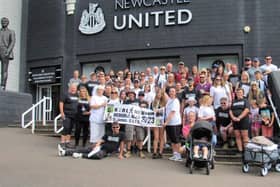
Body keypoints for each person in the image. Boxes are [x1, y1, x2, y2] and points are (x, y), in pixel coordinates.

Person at [58, 121, 125, 160]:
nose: (115, 128)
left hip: (106, 151)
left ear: (119, 127)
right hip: (101, 146)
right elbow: (102, 140)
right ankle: (64, 152)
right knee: (85, 149)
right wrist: (97, 145)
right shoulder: (108, 133)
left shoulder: (121, 134)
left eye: (117, 127)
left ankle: (80, 155)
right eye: (114, 127)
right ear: (112, 128)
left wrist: (120, 154)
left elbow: (122, 145)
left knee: (98, 155)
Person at [123, 91, 146, 158]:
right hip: (129, 121)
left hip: (139, 121)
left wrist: (143, 106)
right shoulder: (126, 102)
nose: (131, 95)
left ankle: (140, 151)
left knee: (140, 137)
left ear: (134, 95)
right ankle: (128, 151)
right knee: (129, 137)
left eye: (132, 94)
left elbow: (145, 106)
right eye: (129, 94)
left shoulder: (139, 101)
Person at [164, 87, 183, 161]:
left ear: (175, 93)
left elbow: (172, 112)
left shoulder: (175, 101)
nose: (171, 92)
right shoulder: (169, 100)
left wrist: (166, 122)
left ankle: (179, 155)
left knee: (176, 140)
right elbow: (166, 109)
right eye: (170, 91)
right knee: (172, 140)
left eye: (173, 91)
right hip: (169, 123)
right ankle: (174, 154)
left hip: (175, 123)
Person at [229, 88, 250, 153]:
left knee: (245, 136)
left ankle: (246, 151)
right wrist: (233, 117)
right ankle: (240, 150)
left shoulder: (245, 100)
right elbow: (230, 110)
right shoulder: (234, 101)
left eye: (240, 92)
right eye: (238, 92)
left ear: (243, 93)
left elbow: (247, 110)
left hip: (243, 120)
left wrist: (239, 117)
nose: (239, 93)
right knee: (237, 136)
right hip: (235, 121)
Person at [59, 84, 79, 148]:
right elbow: (61, 103)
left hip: (74, 115)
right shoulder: (65, 94)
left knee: (70, 128)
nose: (73, 89)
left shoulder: (77, 95)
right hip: (66, 114)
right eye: (72, 87)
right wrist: (62, 113)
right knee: (66, 127)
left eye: (74, 88)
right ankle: (62, 143)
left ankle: (67, 142)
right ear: (70, 88)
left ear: (76, 88)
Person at [151, 88, 167, 159]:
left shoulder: (165, 102)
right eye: (158, 93)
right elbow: (151, 111)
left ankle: (160, 152)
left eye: (161, 94)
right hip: (156, 121)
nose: (159, 95)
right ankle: (154, 152)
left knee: (161, 137)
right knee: (156, 137)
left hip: (162, 121)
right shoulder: (153, 102)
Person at [0, 17, 16, 90]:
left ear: (8, 23)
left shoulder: (11, 32)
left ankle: (2, 85)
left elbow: (12, 42)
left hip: (5, 51)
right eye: (2, 21)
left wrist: (8, 51)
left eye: (5, 21)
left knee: (4, 70)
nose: (4, 22)